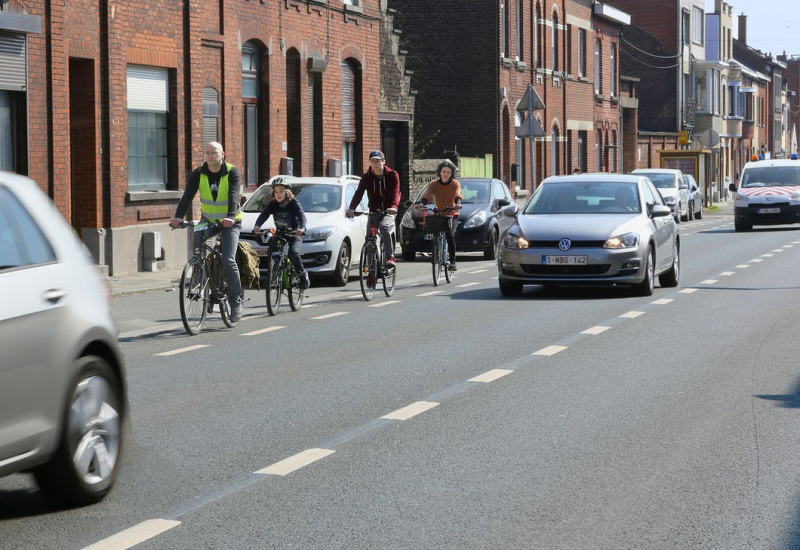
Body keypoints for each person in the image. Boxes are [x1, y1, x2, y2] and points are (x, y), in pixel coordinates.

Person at [170, 141, 243, 323]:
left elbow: (234, 195)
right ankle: (199, 283)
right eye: (208, 153)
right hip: (208, 220)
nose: (211, 156)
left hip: (230, 222)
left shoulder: (232, 171)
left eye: (214, 153)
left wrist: (231, 217)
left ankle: (236, 302)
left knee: (228, 258)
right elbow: (187, 195)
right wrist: (179, 217)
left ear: (222, 154)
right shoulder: (199, 173)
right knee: (197, 243)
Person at [346, 150, 401, 268]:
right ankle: (371, 269)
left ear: (383, 162)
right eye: (372, 161)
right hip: (374, 210)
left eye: (377, 161)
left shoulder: (392, 175)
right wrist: (351, 208)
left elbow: (396, 193)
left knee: (384, 227)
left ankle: (390, 257)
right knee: (369, 239)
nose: (375, 164)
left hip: (389, 210)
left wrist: (394, 207)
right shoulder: (366, 177)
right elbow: (358, 193)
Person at [252, 179, 310, 290]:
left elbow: (302, 216)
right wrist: (257, 226)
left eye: (281, 191)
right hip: (280, 233)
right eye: (276, 191)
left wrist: (301, 228)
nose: (278, 194)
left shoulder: (293, 203)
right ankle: (275, 274)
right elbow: (264, 215)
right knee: (270, 251)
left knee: (293, 253)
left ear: (287, 192)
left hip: (294, 233)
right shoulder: (273, 204)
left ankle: (302, 275)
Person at [420, 160, 462, 271]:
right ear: (440, 172)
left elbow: (457, 194)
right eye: (443, 171)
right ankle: (436, 253)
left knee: (450, 235)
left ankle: (452, 261)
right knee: (435, 233)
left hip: (452, 214)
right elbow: (427, 194)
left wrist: (458, 204)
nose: (445, 174)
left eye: (448, 172)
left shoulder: (455, 184)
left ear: (451, 174)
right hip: (439, 213)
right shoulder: (434, 184)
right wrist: (423, 202)